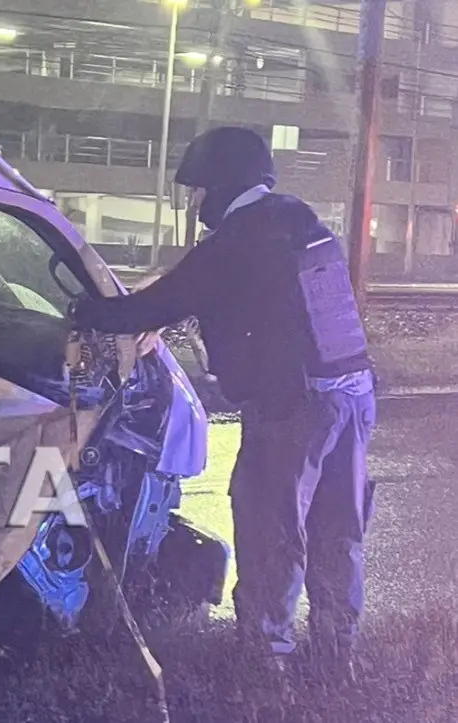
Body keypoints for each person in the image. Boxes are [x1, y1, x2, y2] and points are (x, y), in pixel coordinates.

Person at [68, 126, 377, 680]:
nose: (194, 202)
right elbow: (253, 298)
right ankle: (337, 654)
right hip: (352, 395)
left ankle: (267, 660)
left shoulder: (237, 240)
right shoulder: (299, 222)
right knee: (338, 525)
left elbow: (162, 301)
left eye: (197, 190)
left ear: (219, 185)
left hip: (290, 406)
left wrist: (80, 313)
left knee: (269, 528)